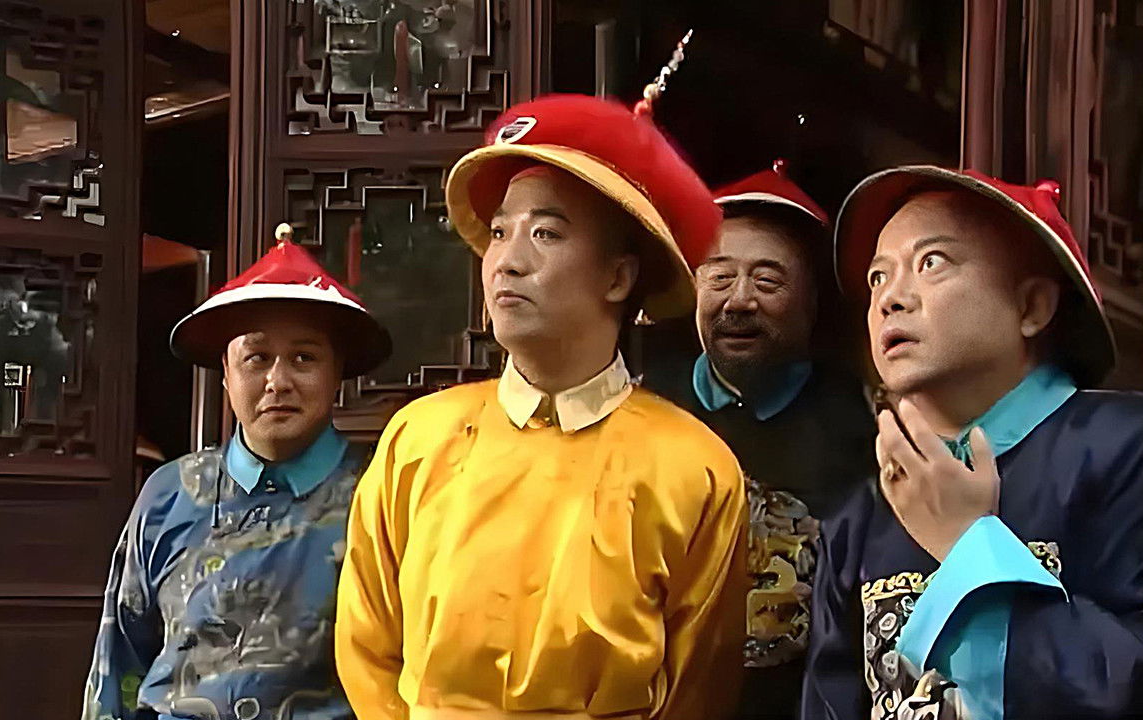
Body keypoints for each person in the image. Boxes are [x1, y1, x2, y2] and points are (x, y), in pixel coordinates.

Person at [334, 93, 750, 720]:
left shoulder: (695, 470)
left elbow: (700, 689)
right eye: (501, 232)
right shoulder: (416, 440)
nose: (507, 261)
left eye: (546, 233)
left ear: (617, 278)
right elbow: (365, 647)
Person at [803, 167, 1143, 719]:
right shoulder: (859, 509)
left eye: (931, 262)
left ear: (1031, 307)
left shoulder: (1129, 447)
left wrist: (969, 546)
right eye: (877, 277)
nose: (890, 298)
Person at [82, 226, 392, 720]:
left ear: (337, 372)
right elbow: (121, 656)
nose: (278, 381)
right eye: (257, 358)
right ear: (226, 374)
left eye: (304, 358)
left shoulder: (382, 491)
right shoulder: (171, 494)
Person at [640, 159, 875, 720]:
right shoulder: (644, 409)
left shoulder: (863, 422)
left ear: (811, 303)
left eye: (767, 281)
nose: (739, 300)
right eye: (719, 277)